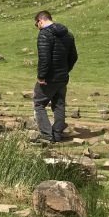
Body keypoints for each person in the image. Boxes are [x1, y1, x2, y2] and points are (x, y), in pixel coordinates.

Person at [33, 10, 78, 143]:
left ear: (41, 20)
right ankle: (57, 134)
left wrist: (41, 76)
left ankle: (47, 135)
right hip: (62, 77)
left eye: (37, 25)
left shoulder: (44, 35)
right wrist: (65, 70)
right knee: (59, 104)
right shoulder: (68, 35)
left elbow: (44, 58)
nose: (37, 27)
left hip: (49, 78)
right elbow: (74, 57)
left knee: (39, 104)